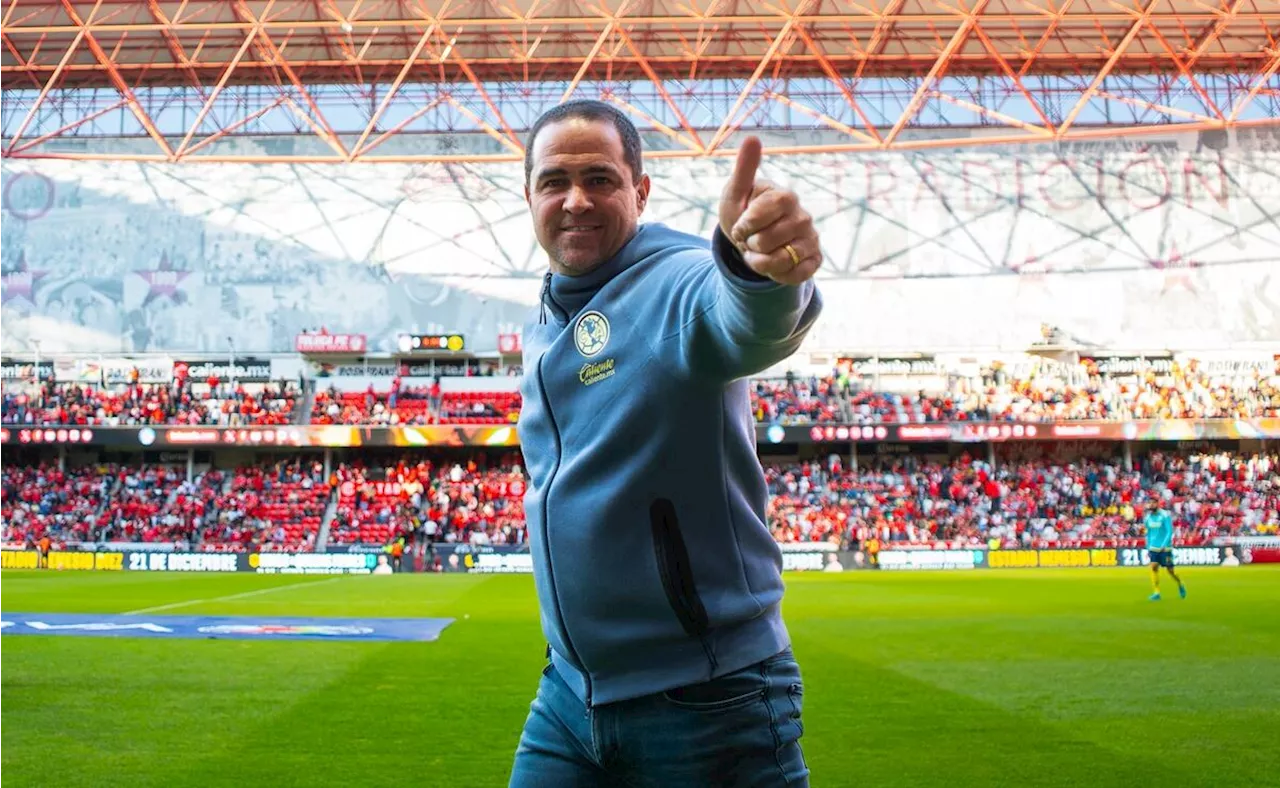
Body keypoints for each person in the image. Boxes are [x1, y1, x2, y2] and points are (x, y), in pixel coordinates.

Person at [510, 99, 823, 787]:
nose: (575, 201)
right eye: (554, 182)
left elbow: (743, 320)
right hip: (570, 697)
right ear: (528, 194)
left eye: (600, 179)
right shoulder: (546, 316)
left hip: (707, 700)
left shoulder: (676, 279)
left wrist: (763, 275)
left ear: (640, 190)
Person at [1143, 495, 1186, 601]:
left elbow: (1169, 531)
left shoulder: (1164, 515)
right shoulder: (1148, 517)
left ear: (1158, 504)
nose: (1151, 505)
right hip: (1153, 548)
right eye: (1150, 503)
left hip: (1165, 548)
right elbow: (1148, 533)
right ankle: (1156, 592)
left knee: (1170, 571)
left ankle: (1180, 583)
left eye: (1153, 502)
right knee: (1153, 567)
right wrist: (1148, 546)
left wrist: (1164, 544)